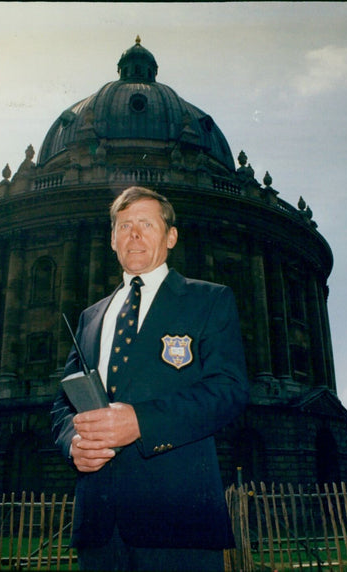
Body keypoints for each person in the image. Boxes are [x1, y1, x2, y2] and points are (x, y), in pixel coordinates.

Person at [51, 186, 249, 571]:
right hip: (99, 529)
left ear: (170, 236)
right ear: (112, 239)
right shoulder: (91, 317)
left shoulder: (208, 300)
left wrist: (142, 422)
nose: (134, 234)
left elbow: (230, 390)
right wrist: (72, 442)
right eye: (124, 225)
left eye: (146, 223)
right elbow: (62, 402)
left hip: (179, 525)